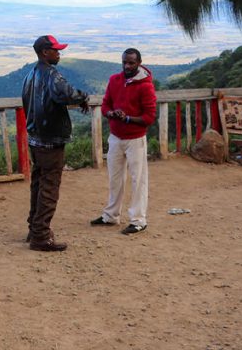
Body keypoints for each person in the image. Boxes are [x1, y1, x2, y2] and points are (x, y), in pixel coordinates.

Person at [22, 34, 90, 252]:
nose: (59, 53)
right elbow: (67, 94)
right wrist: (83, 96)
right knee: (49, 187)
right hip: (51, 140)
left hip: (35, 139)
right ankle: (41, 236)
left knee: (38, 184)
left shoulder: (30, 75)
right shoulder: (52, 75)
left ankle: (34, 228)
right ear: (45, 52)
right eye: (56, 50)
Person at [93, 48, 157, 235]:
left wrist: (127, 118)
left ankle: (138, 220)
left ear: (139, 63)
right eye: (124, 62)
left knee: (138, 180)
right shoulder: (115, 80)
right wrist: (111, 114)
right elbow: (106, 104)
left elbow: (149, 117)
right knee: (115, 178)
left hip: (136, 139)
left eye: (131, 63)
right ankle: (111, 215)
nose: (127, 66)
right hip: (116, 137)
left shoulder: (146, 86)